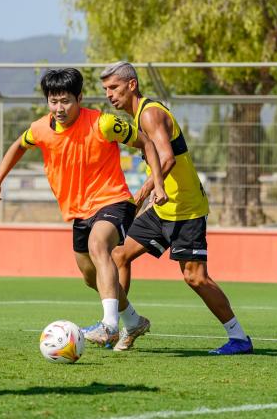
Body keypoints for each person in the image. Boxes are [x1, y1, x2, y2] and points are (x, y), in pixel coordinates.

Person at [0, 68, 167, 350]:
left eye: (66, 101)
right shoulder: (39, 129)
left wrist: (158, 184)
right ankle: (133, 321)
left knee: (99, 246)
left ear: (79, 97)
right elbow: (18, 146)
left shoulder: (104, 124)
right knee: (90, 275)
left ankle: (108, 326)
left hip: (114, 201)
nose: (59, 108)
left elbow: (147, 142)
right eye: (53, 101)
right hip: (79, 212)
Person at [101, 61, 253, 355]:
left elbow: (167, 158)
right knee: (119, 255)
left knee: (195, 277)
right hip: (163, 208)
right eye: (106, 89)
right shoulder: (137, 118)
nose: (109, 94)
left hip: (185, 208)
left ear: (132, 85)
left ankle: (239, 338)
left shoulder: (150, 114)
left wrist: (143, 193)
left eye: (114, 87)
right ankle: (127, 325)